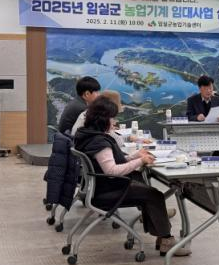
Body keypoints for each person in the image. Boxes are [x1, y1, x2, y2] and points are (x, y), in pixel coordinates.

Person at [74, 97, 190, 256]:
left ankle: (162, 237)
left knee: (147, 190)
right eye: (112, 118)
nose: (114, 122)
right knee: (154, 195)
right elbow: (111, 171)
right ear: (103, 119)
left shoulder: (87, 135)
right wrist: (140, 161)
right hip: (107, 191)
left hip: (99, 187)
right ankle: (166, 241)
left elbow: (110, 162)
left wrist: (135, 156)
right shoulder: (99, 142)